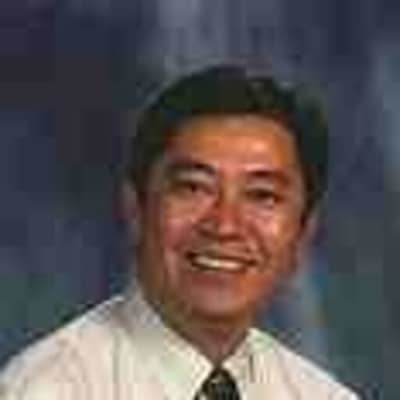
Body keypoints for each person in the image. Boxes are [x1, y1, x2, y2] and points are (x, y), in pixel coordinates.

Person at [0, 65, 359, 399]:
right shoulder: (47, 389)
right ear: (136, 210)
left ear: (302, 235)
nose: (224, 226)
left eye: (262, 195)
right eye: (193, 187)